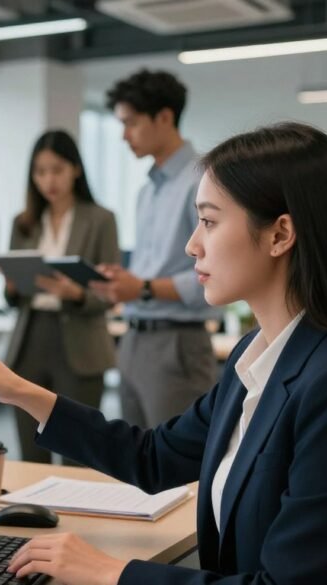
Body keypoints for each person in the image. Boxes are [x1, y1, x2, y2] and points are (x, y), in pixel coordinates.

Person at [0, 123, 327, 584]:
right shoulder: (258, 358)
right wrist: (18, 390)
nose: (193, 245)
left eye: (209, 222)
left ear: (280, 234)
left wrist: (112, 573)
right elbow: (153, 456)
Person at [88, 69, 221, 432]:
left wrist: (143, 288)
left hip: (177, 343)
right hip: (133, 338)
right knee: (139, 466)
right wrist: (125, 283)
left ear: (164, 117)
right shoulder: (147, 191)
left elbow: (213, 277)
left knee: (180, 466)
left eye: (131, 123)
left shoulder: (204, 181)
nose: (124, 135)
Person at [4, 130, 120, 463]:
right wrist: (12, 287)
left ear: (76, 169)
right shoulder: (23, 223)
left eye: (56, 169)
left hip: (80, 343)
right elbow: (12, 295)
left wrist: (76, 294)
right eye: (40, 172)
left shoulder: (101, 220)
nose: (48, 180)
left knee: (77, 454)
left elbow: (110, 293)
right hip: (30, 340)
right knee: (30, 454)